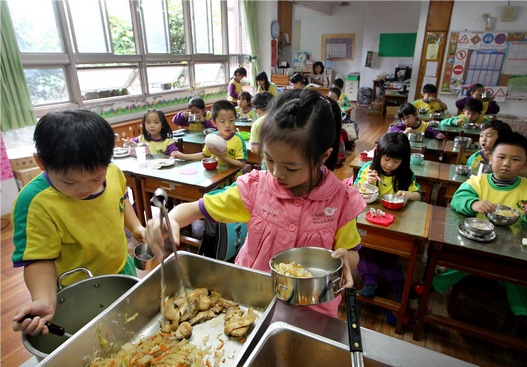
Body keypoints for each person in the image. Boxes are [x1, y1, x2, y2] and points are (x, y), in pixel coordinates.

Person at [146, 89, 366, 318]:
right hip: (251, 303)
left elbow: (352, 254)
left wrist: (345, 260)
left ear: (323, 156)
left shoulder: (340, 201)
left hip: (312, 311)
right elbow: (193, 209)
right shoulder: (257, 188)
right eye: (269, 159)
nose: (277, 173)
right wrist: (170, 219)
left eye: (291, 167)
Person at [11, 110, 145, 336]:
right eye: (69, 181)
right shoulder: (34, 202)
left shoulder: (113, 172)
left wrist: (136, 227)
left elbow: (121, 200)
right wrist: (43, 298)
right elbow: (38, 259)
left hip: (122, 268)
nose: (85, 189)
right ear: (41, 162)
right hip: (76, 287)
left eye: (96, 178)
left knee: (129, 327)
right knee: (96, 336)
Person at [433, 132, 527, 336]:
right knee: (453, 263)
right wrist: (473, 203)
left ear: (525, 163)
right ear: (490, 158)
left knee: (521, 278)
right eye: (501, 157)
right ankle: (431, 287)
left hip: (514, 249)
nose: (506, 164)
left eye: (515, 160)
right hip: (476, 244)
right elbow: (457, 201)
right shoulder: (478, 182)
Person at [354, 133, 421, 324]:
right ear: (378, 156)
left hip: (394, 224)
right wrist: (368, 184)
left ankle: (399, 285)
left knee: (387, 251)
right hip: (368, 220)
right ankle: (371, 280)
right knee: (363, 246)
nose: (390, 165)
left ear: (404, 160)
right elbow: (357, 192)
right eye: (386, 159)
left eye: (396, 160)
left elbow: (418, 195)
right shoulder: (369, 170)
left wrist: (408, 195)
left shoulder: (406, 175)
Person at [171, 100, 247, 169]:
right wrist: (183, 156)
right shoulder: (212, 138)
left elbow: (241, 164)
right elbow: (205, 155)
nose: (227, 125)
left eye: (231, 120)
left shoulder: (238, 139)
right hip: (216, 177)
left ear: (235, 120)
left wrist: (223, 157)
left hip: (233, 181)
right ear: (214, 123)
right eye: (222, 121)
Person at [249, 92, 274, 157]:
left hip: (268, 162)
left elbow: (255, 149)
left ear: (257, 109)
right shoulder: (281, 118)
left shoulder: (258, 123)